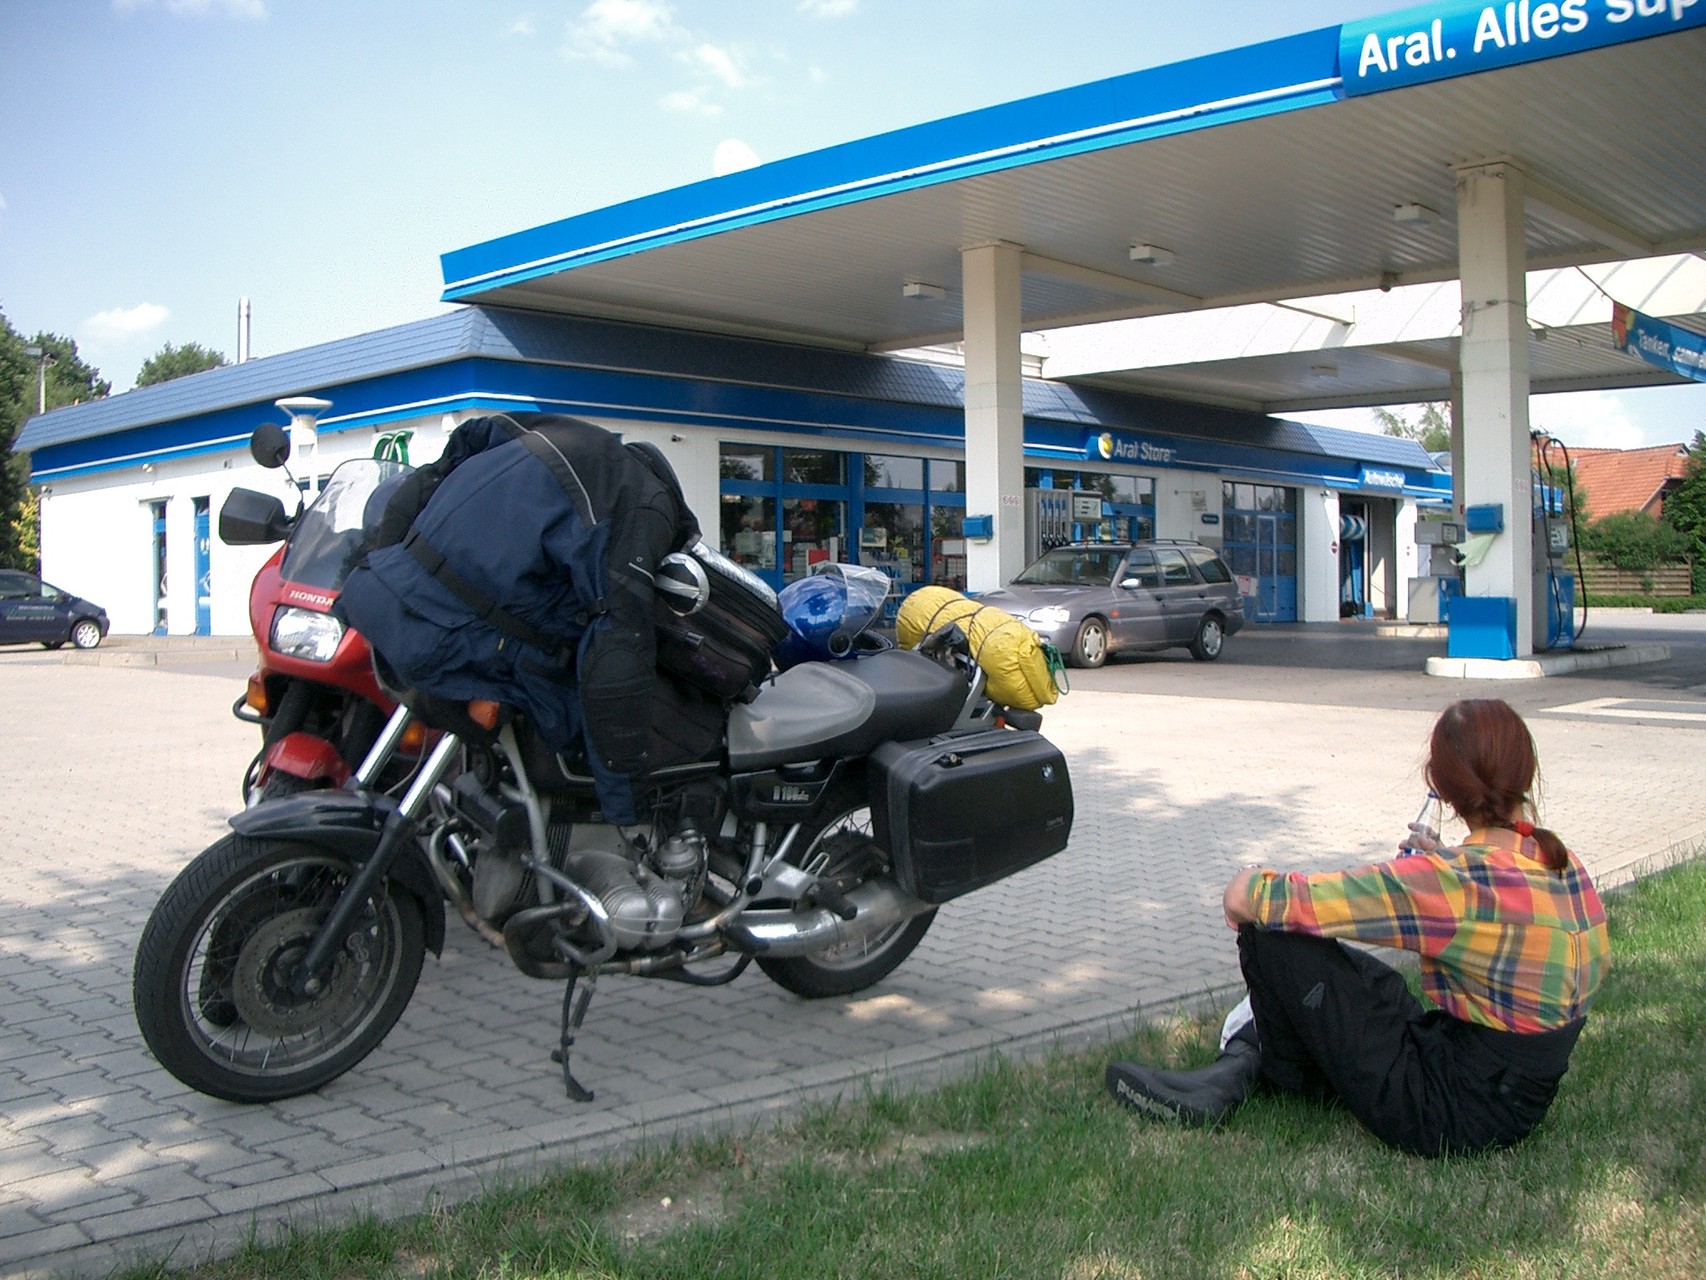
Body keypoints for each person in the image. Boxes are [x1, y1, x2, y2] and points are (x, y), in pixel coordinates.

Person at [1106, 698, 1611, 1157]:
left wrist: (1244, 890)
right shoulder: (1560, 864)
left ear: (1442, 785)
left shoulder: (1457, 883)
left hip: (1447, 1112)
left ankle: (1261, 1070)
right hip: (1512, 1098)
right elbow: (1502, 923)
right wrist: (1441, 865)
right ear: (1525, 771)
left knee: (1276, 933)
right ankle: (1244, 1062)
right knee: (1377, 987)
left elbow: (1317, 903)